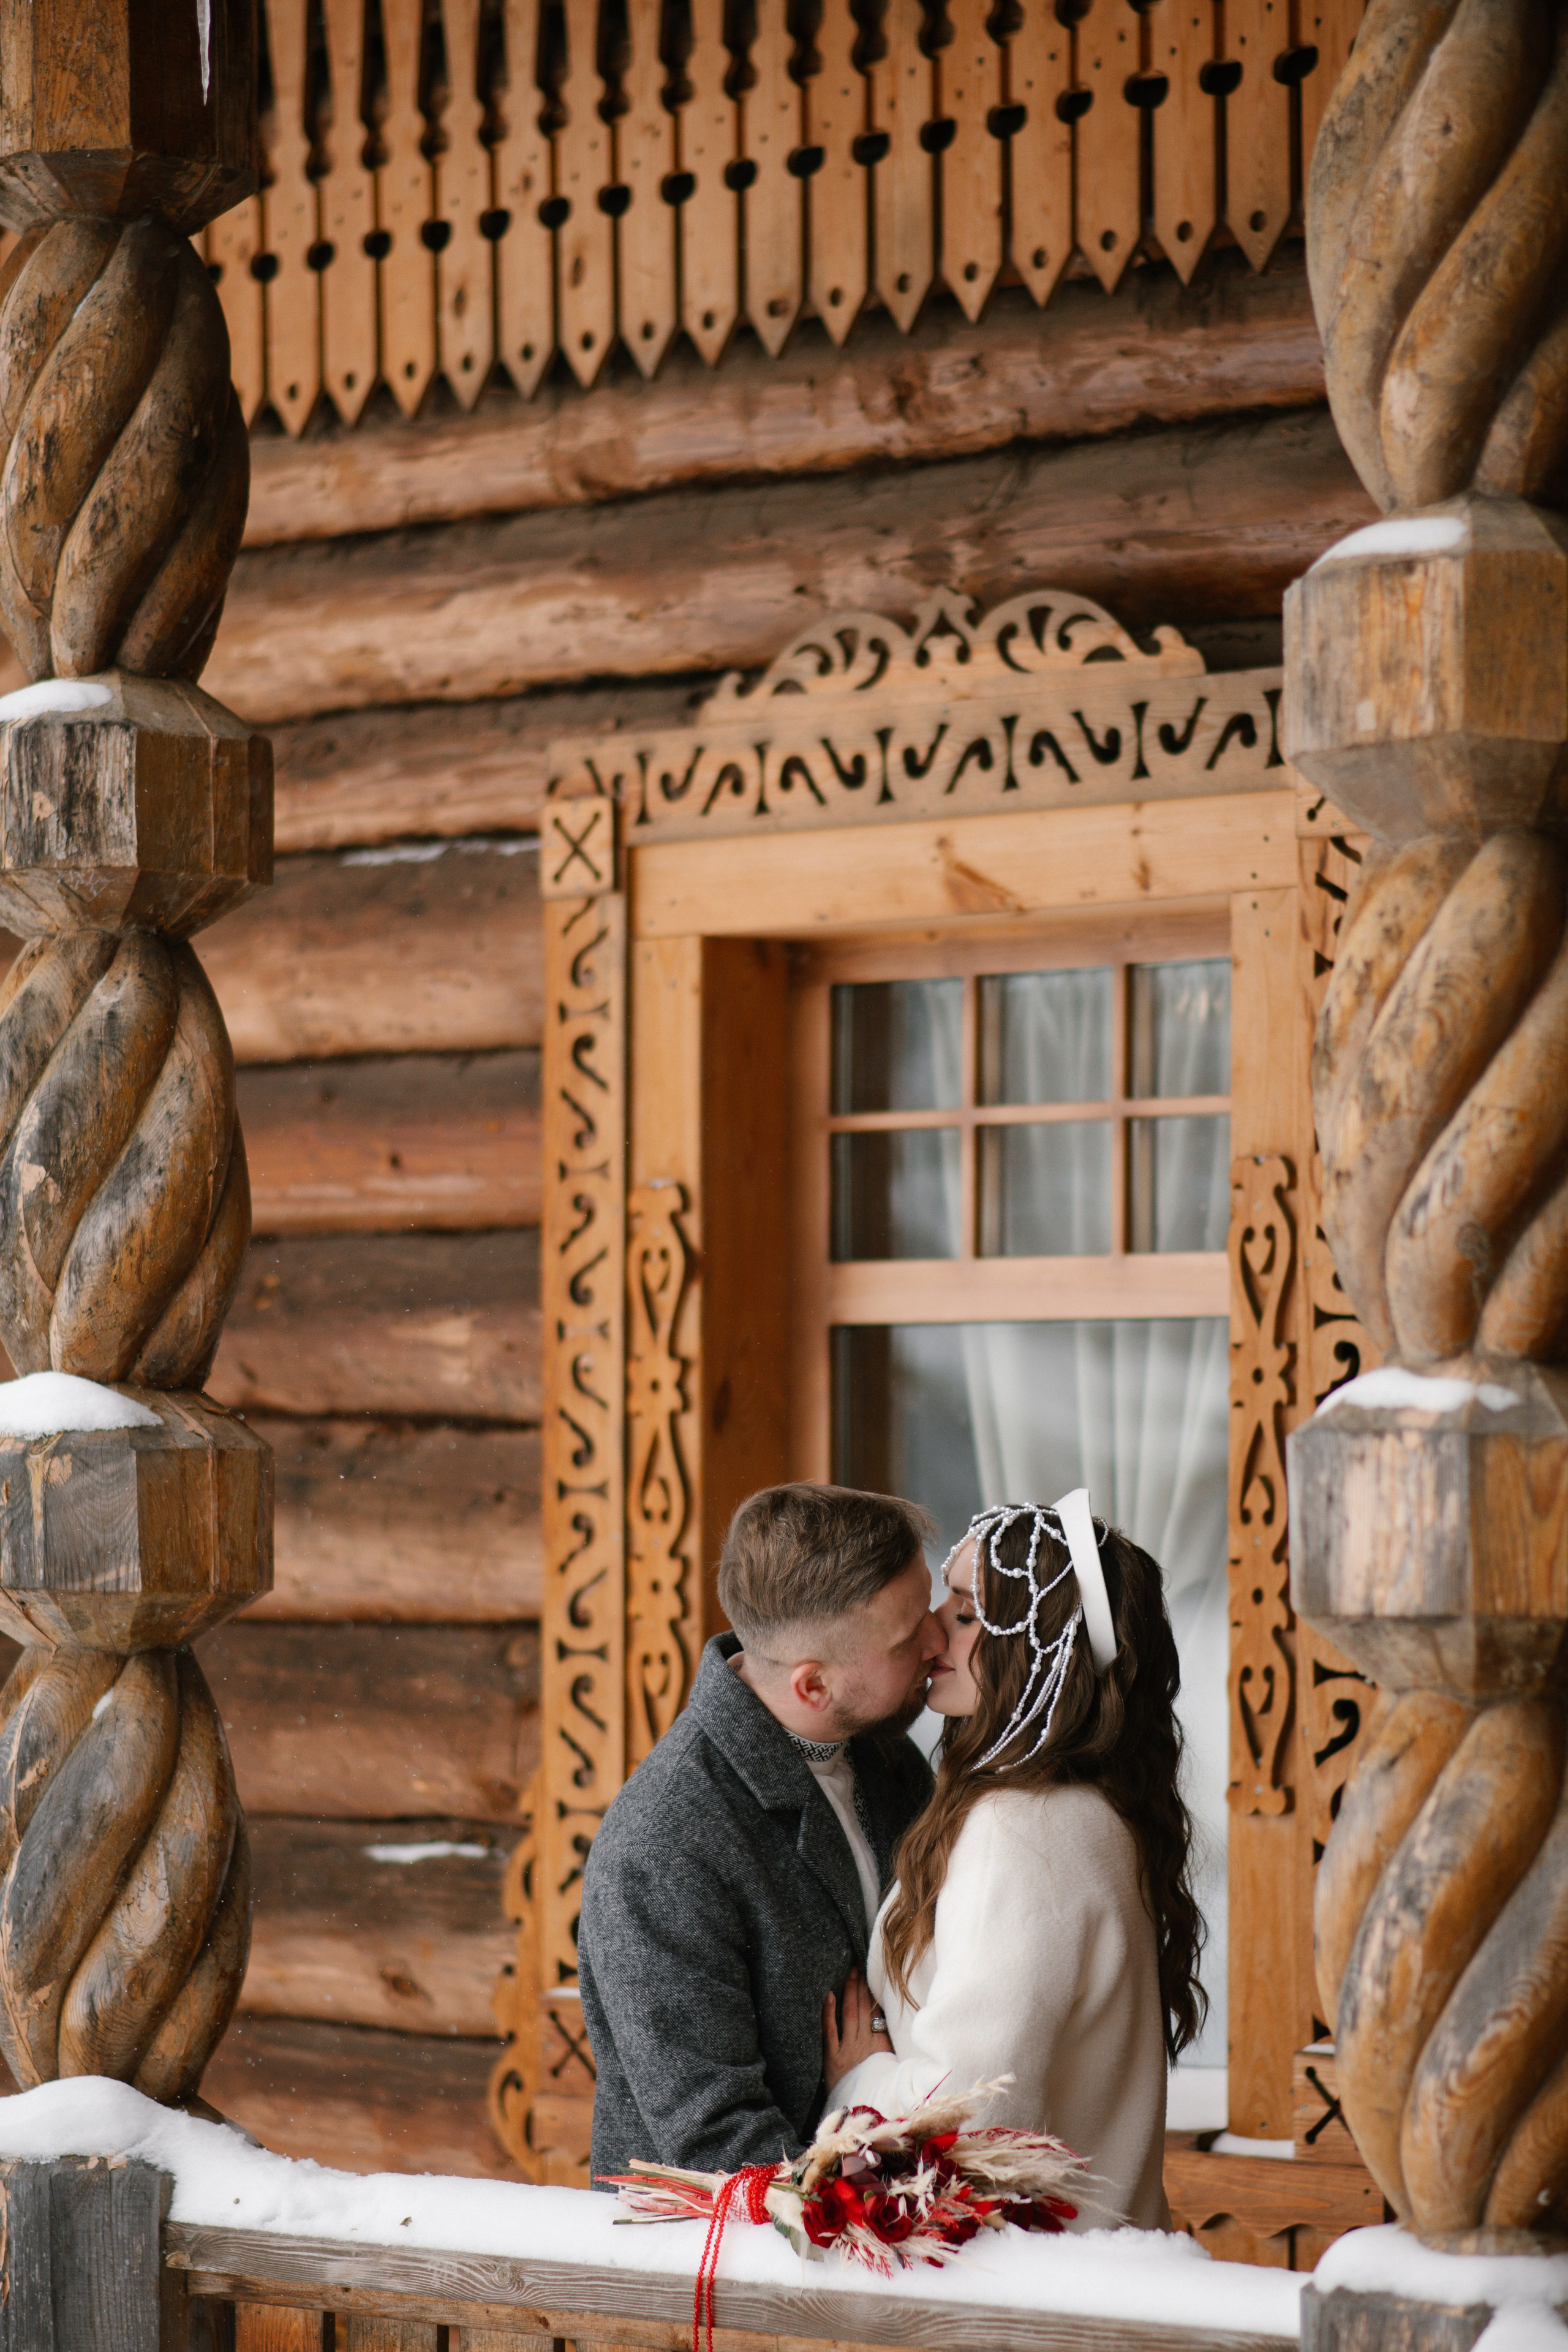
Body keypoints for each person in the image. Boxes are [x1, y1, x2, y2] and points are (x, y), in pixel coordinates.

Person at [822, 1493, 1205, 2230]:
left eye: (965, 1615)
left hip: (1038, 2295)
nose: (932, 1634)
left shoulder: (1020, 1833)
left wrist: (860, 2079)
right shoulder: (1082, 1810)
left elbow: (971, 2112)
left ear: (1039, 1653)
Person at [578, 1482, 944, 2185]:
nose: (938, 1638)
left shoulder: (885, 1753)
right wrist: (864, 2124)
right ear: (812, 1686)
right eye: (906, 1636)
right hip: (724, 2268)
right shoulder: (662, 1844)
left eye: (927, 1603)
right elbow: (716, 2144)